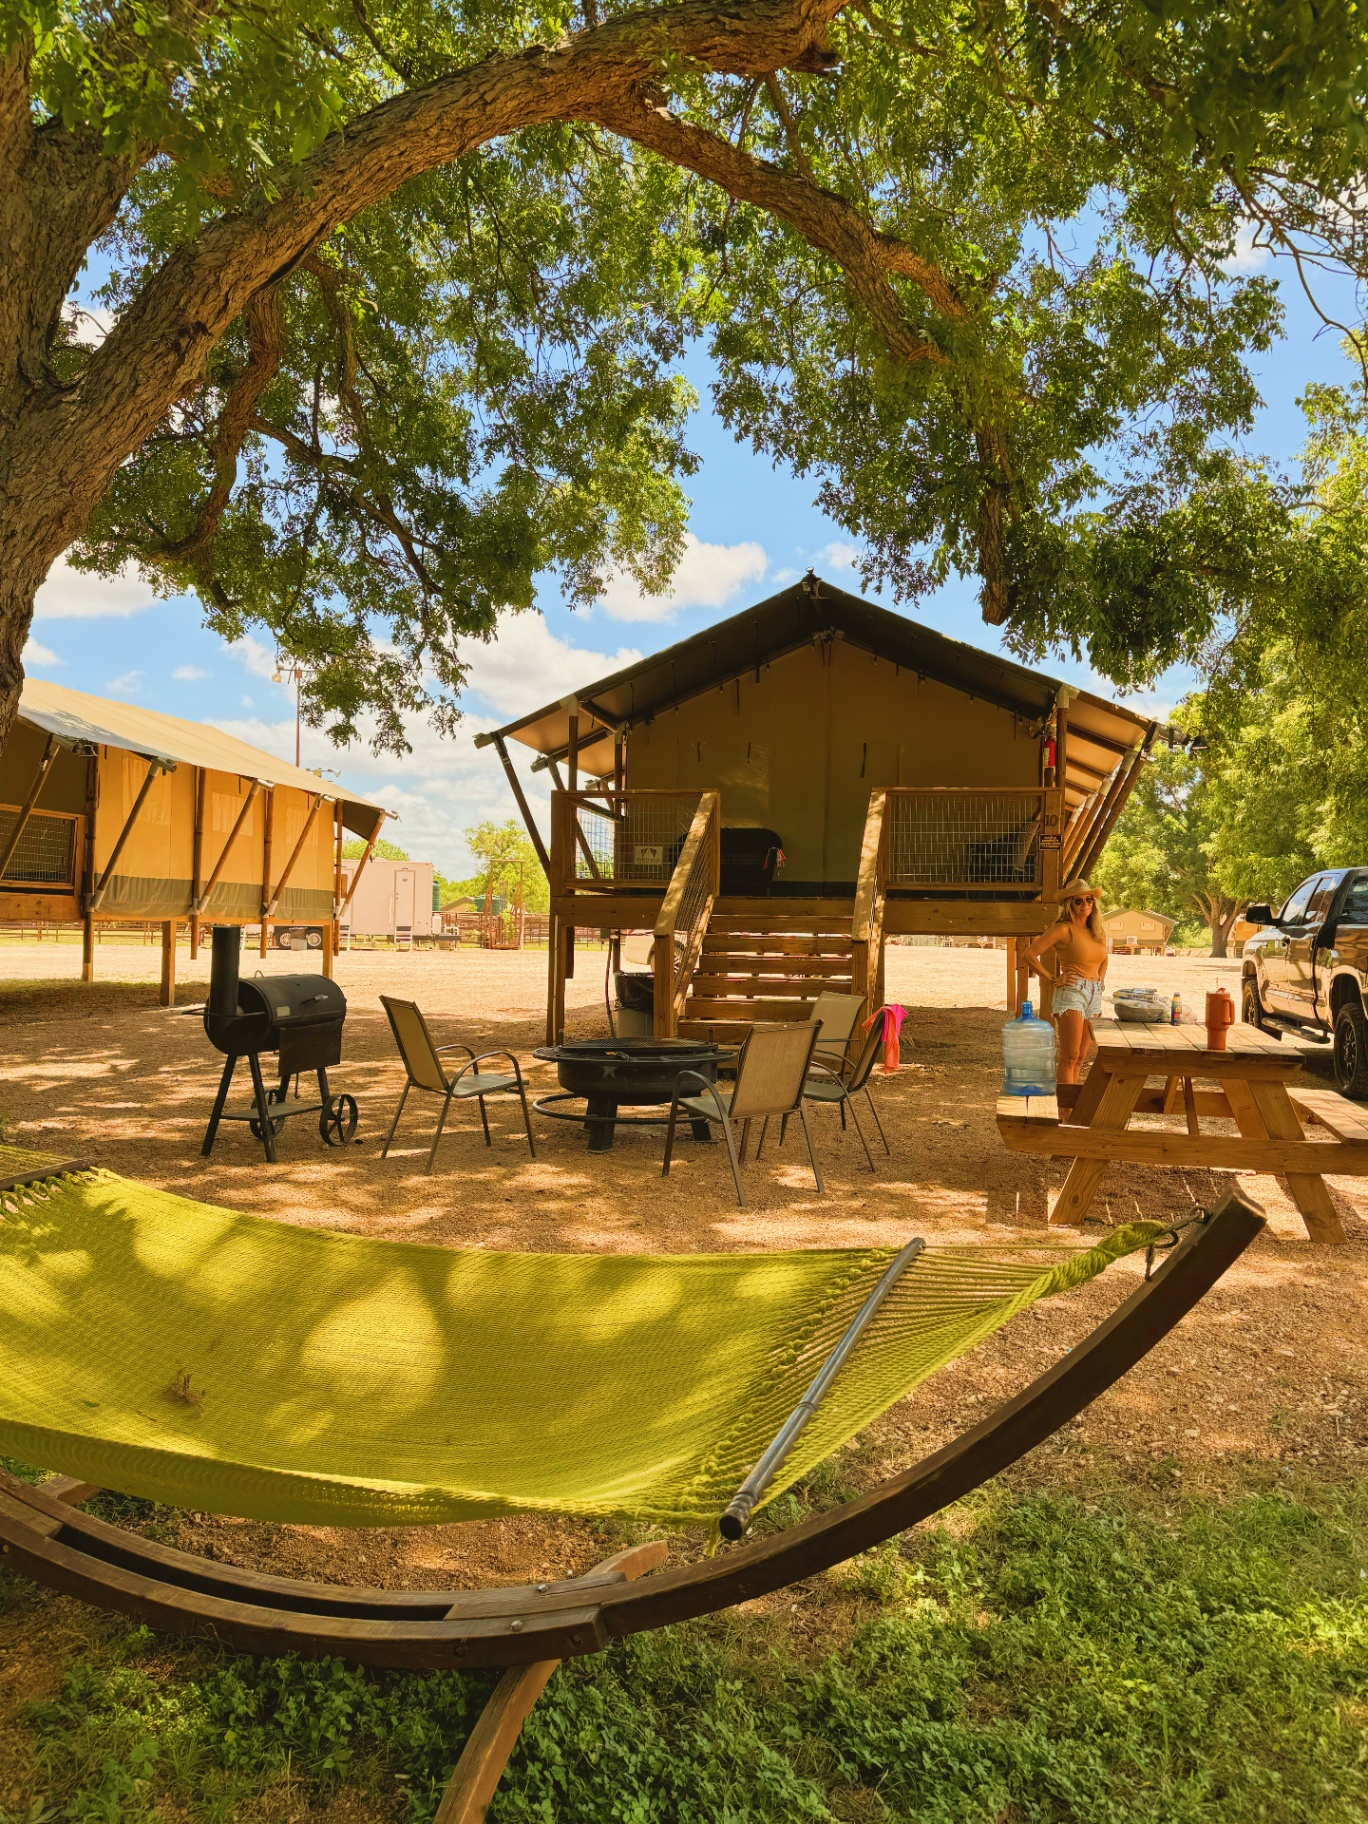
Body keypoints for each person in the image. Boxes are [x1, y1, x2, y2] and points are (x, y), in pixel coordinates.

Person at [1025, 879, 1108, 1085]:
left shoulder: (1096, 931)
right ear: (1070, 905)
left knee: (1081, 1057)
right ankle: (1063, 1111)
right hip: (1072, 992)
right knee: (1069, 1056)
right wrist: (1053, 978)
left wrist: (1100, 979)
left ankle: (1072, 1110)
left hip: (1094, 993)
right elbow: (1029, 955)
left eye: (1089, 899)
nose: (1085, 904)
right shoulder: (1063, 929)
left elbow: (1104, 957)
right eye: (1078, 901)